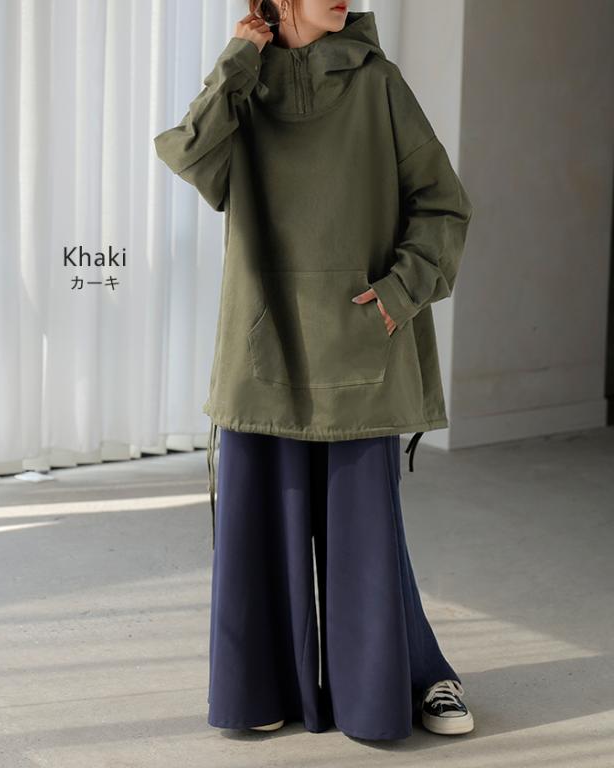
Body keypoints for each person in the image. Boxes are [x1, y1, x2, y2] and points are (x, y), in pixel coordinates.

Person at [154, 0, 474, 742]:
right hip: (263, 350)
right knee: (258, 534)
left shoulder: (378, 83)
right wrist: (237, 61)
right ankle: (265, 689)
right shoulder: (243, 91)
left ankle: (407, 681)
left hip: (358, 346)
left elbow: (444, 204)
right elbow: (191, 157)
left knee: (366, 543)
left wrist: (399, 293)